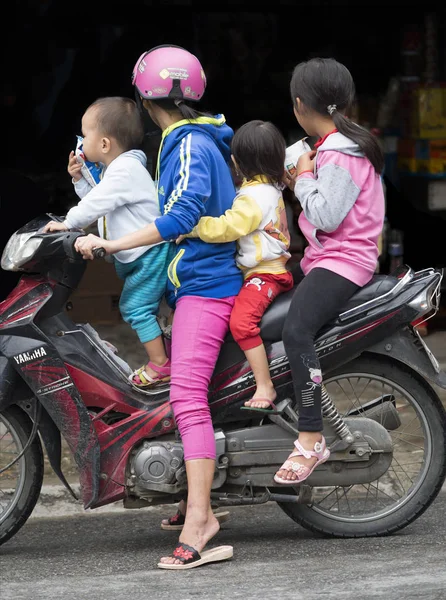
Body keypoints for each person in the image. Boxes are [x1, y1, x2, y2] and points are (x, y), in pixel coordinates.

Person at [74, 45, 243, 569]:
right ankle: (190, 497)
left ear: (148, 101)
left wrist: (115, 246)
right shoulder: (181, 140)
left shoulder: (189, 143)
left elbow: (182, 216)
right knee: (186, 389)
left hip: (205, 286)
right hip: (189, 282)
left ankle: (202, 520)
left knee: (186, 396)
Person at [274, 57, 385, 485]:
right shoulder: (335, 148)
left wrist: (302, 177)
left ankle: (310, 436)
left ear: (300, 104)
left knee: (296, 331)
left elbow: (327, 215)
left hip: (345, 261)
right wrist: (297, 179)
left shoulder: (339, 152)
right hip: (327, 258)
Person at [43, 96, 174, 390]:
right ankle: (165, 359)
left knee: (135, 307)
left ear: (103, 144)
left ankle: (161, 365)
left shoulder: (125, 171)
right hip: (141, 255)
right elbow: (100, 199)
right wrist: (79, 181)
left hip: (149, 254)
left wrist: (68, 222)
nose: (80, 141)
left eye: (85, 133)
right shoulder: (119, 171)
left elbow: (98, 202)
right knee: (146, 309)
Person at [181, 119, 293, 411]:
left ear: (236, 161)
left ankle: (265, 385)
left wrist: (191, 225)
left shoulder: (252, 197)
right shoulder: (270, 186)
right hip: (269, 270)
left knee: (241, 324)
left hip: (265, 275)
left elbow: (228, 228)